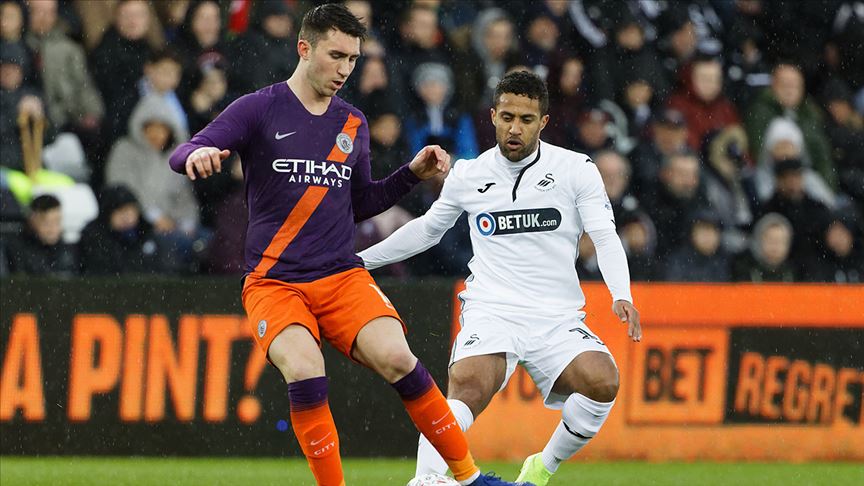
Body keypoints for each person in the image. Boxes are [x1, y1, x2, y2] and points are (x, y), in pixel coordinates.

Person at [168, 5, 524, 486]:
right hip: (275, 282)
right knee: (305, 369)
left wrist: (410, 175)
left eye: (353, 59)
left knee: (399, 358)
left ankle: (467, 478)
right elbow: (183, 151)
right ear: (304, 48)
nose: (344, 69)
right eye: (335, 56)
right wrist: (200, 154)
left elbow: (359, 204)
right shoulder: (259, 108)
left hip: (340, 276)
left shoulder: (352, 122)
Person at [359, 71, 642, 486]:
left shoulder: (575, 169)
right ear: (492, 116)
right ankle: (425, 480)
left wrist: (621, 292)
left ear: (543, 122)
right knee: (467, 387)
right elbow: (427, 230)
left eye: (526, 119)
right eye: (507, 117)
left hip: (555, 315)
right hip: (492, 309)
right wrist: (360, 261)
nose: (515, 128)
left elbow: (603, 234)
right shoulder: (468, 174)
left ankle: (542, 468)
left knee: (603, 381)